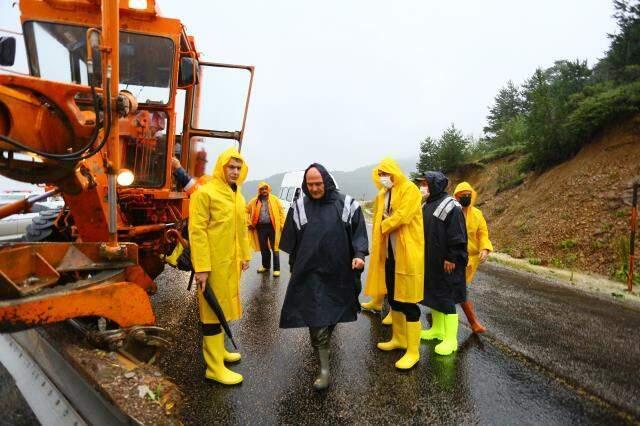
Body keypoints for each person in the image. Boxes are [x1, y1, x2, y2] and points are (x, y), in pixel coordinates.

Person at [279, 163, 368, 390]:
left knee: (332, 313)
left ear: (326, 181)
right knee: (316, 318)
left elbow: (358, 232)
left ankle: (324, 339)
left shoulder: (346, 204)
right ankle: (324, 370)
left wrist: (359, 254)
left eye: (318, 184)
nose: (315, 188)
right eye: (310, 185)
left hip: (339, 272)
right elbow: (293, 242)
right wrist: (292, 266)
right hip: (310, 273)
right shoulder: (299, 207)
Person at [189, 148, 252, 385]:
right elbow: (197, 232)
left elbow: (242, 229)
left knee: (223, 308)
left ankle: (220, 352)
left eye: (238, 167)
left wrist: (245, 255)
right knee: (211, 312)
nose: (235, 171)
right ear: (221, 167)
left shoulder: (237, 195)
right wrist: (202, 267)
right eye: (231, 167)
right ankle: (214, 367)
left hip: (230, 263)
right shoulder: (205, 193)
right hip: (213, 265)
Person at [364, 158, 424, 370]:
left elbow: (403, 216)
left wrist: (383, 225)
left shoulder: (410, 189)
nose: (383, 177)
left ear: (394, 172)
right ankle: (398, 339)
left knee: (409, 302)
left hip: (407, 256)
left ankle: (413, 351)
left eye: (385, 173)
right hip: (389, 256)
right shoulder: (383, 194)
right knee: (394, 299)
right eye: (379, 174)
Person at [418, 172, 468, 356]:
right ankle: (437, 330)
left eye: (425, 183)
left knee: (447, 298)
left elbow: (457, 234)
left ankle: (450, 338)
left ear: (435, 184)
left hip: (448, 261)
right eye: (421, 183)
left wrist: (452, 257)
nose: (422, 186)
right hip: (431, 260)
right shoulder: (428, 204)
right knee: (434, 294)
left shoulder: (451, 206)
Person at [454, 181, 493, 333]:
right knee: (460, 290)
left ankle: (472, 322)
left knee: (461, 289)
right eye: (462, 195)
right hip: (453, 257)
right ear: (456, 197)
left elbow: (482, 233)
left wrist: (484, 248)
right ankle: (473, 323)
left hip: (470, 260)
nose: (466, 197)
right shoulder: (452, 213)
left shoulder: (477, 214)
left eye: (468, 195)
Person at [246, 182, 285, 277]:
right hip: (260, 227)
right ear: (259, 191)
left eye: (265, 189)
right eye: (262, 189)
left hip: (272, 227)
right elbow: (245, 210)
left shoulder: (274, 199)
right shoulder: (254, 201)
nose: (264, 191)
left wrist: (282, 224)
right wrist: (248, 222)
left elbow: (281, 212)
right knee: (264, 248)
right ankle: (266, 266)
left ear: (268, 189)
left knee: (275, 247)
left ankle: (277, 269)